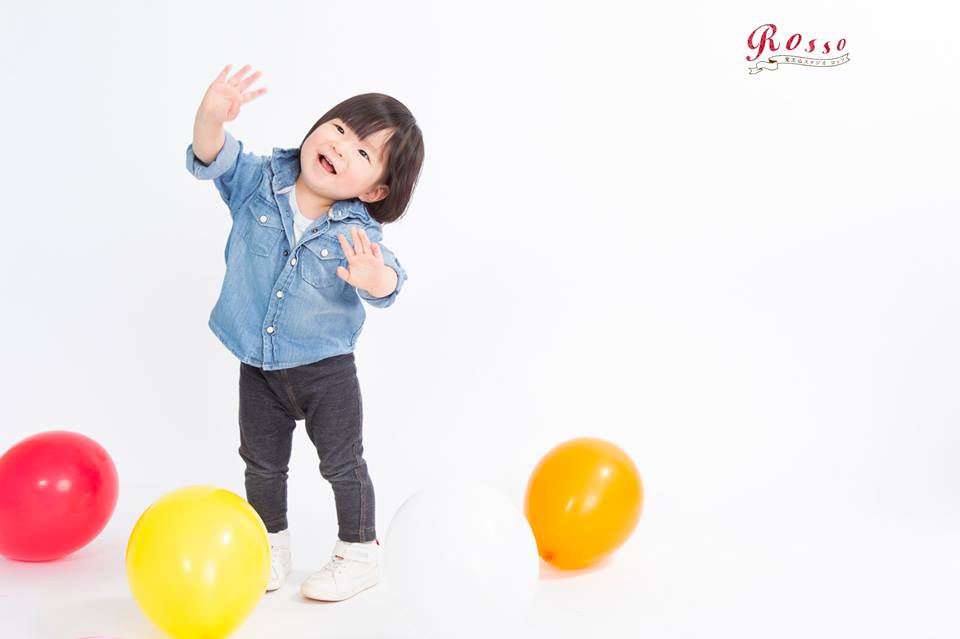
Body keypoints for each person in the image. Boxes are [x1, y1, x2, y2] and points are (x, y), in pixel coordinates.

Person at [185, 64, 424, 601]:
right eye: (339, 128)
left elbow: (391, 279)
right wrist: (210, 117)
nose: (339, 147)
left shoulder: (356, 230)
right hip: (258, 365)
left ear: (376, 188)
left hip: (325, 371)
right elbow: (212, 156)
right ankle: (269, 547)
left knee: (342, 463)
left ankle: (358, 552)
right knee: (262, 464)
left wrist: (374, 277)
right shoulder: (258, 182)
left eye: (362, 152)